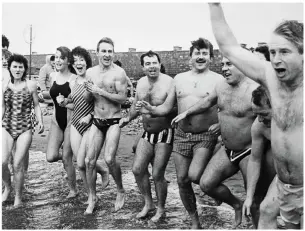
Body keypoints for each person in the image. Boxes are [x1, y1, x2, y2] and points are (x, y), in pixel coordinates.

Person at [209, 3, 303, 228]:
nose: (276, 58)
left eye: (285, 52)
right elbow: (229, 47)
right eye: (272, 52)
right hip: (284, 186)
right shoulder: (270, 76)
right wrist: (214, 4)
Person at [138, 38, 222, 229]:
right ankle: (194, 221)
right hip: (182, 135)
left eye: (204, 53)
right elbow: (166, 108)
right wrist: (150, 108)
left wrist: (220, 124)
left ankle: (214, 183)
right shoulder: (179, 79)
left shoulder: (218, 80)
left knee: (194, 176)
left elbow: (225, 108)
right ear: (190, 57)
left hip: (205, 136)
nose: (200, 57)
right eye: (197, 53)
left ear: (210, 57)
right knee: (182, 180)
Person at [172, 54, 259, 228]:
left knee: (254, 197)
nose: (224, 68)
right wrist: (187, 113)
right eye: (223, 64)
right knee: (206, 184)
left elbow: (267, 119)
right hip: (227, 149)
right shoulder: (221, 86)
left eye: (229, 64)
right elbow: (206, 102)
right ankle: (236, 204)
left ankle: (256, 226)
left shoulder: (255, 90)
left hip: (249, 150)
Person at [119, 50, 175, 222]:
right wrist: (128, 118)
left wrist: (153, 110)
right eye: (148, 64)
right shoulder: (142, 82)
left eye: (154, 63)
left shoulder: (169, 82)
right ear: (143, 67)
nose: (152, 66)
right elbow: (137, 105)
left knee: (158, 174)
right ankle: (148, 203)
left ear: (159, 64)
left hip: (164, 133)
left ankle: (161, 208)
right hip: (146, 132)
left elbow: (175, 109)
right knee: (137, 169)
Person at [83, 37, 127, 215]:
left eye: (110, 51)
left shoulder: (119, 73)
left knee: (109, 158)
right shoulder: (91, 73)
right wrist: (89, 91)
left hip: (113, 120)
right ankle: (92, 198)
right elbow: (88, 99)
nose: (107, 55)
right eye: (104, 51)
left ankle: (120, 190)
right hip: (97, 120)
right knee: (88, 161)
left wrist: (100, 91)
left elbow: (122, 99)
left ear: (113, 53)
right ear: (97, 52)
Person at [68, 46, 109, 203]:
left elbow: (102, 104)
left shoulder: (92, 79)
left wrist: (90, 116)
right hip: (75, 123)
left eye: (81, 60)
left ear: (87, 62)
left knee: (82, 162)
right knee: (81, 166)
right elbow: (74, 101)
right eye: (75, 60)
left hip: (91, 124)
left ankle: (103, 170)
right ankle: (92, 196)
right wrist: (65, 101)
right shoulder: (73, 80)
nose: (78, 63)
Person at [2, 54, 44, 207]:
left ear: (24, 69)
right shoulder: (4, 85)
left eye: (20, 66)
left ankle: (18, 197)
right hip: (6, 125)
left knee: (18, 163)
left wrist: (40, 121)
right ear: (10, 68)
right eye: (15, 66)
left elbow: (37, 105)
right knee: (2, 162)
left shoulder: (31, 85)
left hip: (25, 127)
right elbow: (3, 107)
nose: (18, 69)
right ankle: (7, 188)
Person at [38, 46, 78, 198]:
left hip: (70, 122)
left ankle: (73, 190)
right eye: (56, 57)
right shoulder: (53, 76)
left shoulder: (74, 79)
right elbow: (54, 95)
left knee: (67, 157)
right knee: (51, 156)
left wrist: (66, 103)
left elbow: (78, 103)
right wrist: (44, 96)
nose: (58, 61)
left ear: (68, 61)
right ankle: (75, 160)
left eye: (61, 58)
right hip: (56, 121)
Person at [242, 86, 278, 228]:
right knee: (266, 209)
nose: (260, 119)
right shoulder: (259, 125)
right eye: (256, 114)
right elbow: (254, 159)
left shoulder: (298, 120)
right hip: (285, 172)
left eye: (264, 114)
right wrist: (249, 197)